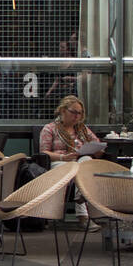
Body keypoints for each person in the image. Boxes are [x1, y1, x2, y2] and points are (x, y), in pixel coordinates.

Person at [40, 94, 101, 233]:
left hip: (79, 162)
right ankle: (83, 216)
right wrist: (64, 158)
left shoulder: (82, 129)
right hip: (60, 162)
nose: (77, 116)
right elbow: (44, 153)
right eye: (73, 112)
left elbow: (97, 144)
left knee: (87, 162)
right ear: (62, 111)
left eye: (80, 113)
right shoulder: (50, 128)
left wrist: (95, 149)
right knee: (78, 170)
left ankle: (81, 196)